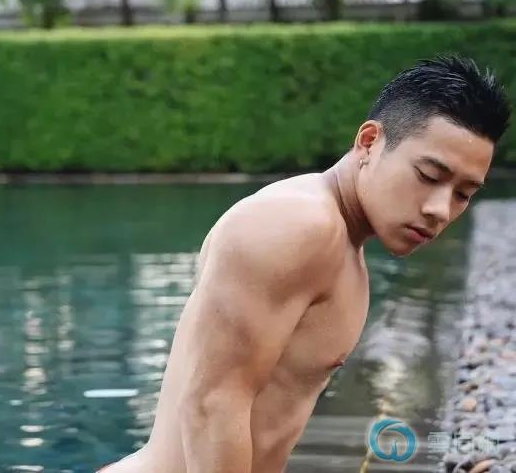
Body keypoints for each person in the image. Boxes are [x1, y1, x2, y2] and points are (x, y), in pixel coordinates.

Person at [97, 55, 511, 473]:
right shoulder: (298, 224)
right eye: (428, 175)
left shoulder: (341, 244)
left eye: (463, 194)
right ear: (369, 142)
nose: (440, 209)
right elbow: (212, 403)